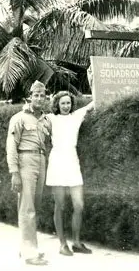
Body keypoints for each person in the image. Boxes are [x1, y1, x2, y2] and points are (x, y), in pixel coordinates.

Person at [6, 80, 51, 266]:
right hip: (25, 162)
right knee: (27, 208)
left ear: (45, 98)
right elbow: (11, 146)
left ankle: (28, 247)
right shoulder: (19, 118)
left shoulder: (46, 120)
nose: (39, 98)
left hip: (41, 161)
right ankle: (29, 253)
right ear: (30, 97)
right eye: (36, 95)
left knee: (34, 207)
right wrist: (14, 172)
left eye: (42, 95)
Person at [45, 91, 95, 256]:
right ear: (57, 104)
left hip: (72, 161)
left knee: (79, 205)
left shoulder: (77, 115)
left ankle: (77, 242)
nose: (65, 106)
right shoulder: (51, 118)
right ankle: (62, 244)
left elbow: (91, 105)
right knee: (60, 205)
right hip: (57, 161)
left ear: (71, 104)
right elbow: (36, 117)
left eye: (68, 103)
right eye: (62, 103)